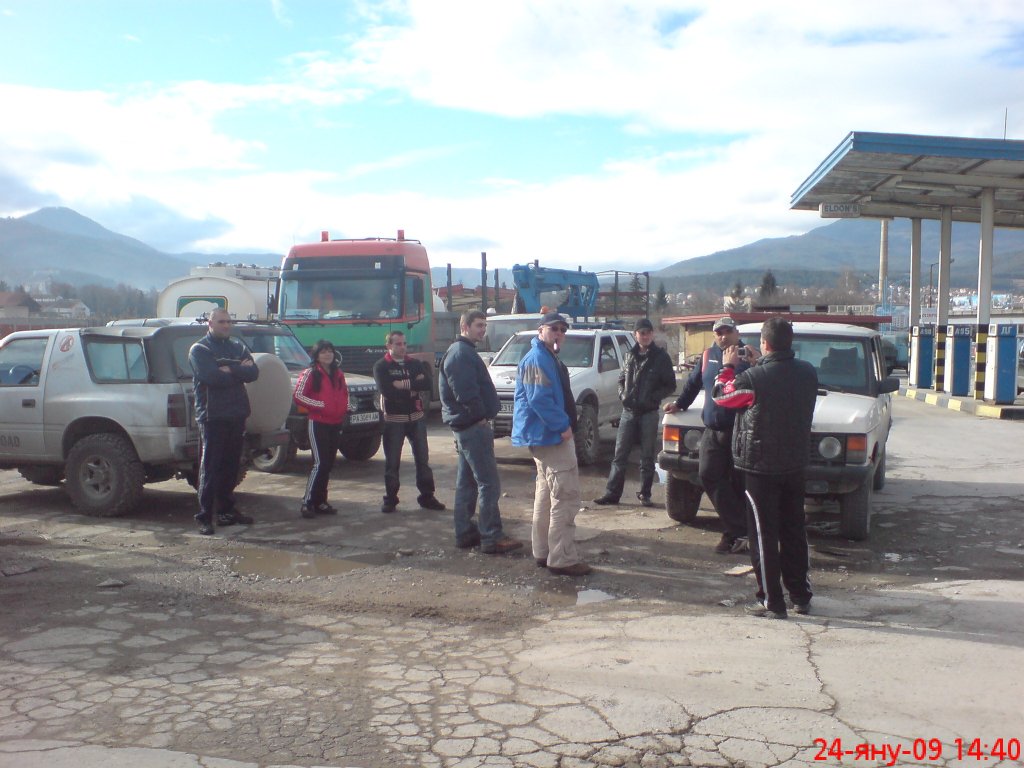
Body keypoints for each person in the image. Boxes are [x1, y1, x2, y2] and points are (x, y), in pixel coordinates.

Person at [713, 317, 818, 620]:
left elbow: (723, 396)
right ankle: (800, 595)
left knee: (763, 533)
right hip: (795, 463)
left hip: (761, 467)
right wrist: (760, 363)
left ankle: (772, 600)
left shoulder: (754, 378)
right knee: (794, 529)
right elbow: (781, 384)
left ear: (765, 343)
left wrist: (728, 368)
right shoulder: (808, 372)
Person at [665, 316, 755, 554]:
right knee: (707, 475)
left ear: (736, 333)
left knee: (738, 484)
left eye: (727, 332)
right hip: (713, 429)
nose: (723, 336)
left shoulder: (748, 356)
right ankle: (740, 528)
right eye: (719, 333)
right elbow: (693, 383)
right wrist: (679, 404)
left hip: (739, 430)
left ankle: (734, 535)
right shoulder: (708, 355)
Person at [512, 312, 592, 577]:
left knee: (546, 495)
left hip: (545, 437)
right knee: (565, 497)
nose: (559, 333)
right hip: (550, 437)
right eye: (554, 328)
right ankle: (562, 558)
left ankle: (543, 551)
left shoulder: (548, 357)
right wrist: (563, 426)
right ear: (541, 330)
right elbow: (539, 399)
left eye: (562, 330)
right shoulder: (536, 359)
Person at [439, 310, 523, 555]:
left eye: (484, 326)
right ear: (464, 326)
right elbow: (465, 393)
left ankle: (465, 533)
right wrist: (480, 417)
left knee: (467, 483)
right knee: (488, 484)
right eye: (478, 325)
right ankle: (491, 537)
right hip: (472, 427)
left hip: (467, 426)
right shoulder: (460, 353)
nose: (482, 330)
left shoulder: (464, 351)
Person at [188, 309, 259, 536]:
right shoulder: (200, 349)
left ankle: (226, 511)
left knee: (231, 466)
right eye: (221, 321)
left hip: (237, 414)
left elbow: (254, 373)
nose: (226, 325)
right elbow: (212, 377)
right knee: (211, 467)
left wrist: (230, 369)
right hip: (213, 416)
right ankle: (204, 516)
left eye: (229, 321)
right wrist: (239, 370)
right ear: (210, 323)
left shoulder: (237, 346)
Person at [594, 317, 677, 507]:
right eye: (641, 333)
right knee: (619, 455)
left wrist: (653, 398)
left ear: (652, 334)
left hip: (649, 413)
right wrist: (622, 394)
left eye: (648, 333)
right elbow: (621, 379)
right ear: (635, 335)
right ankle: (612, 494)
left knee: (646, 457)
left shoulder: (661, 357)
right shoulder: (629, 355)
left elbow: (670, 385)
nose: (645, 336)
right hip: (628, 412)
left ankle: (645, 494)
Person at [373, 330, 445, 515]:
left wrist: (403, 384)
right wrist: (413, 385)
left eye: (404, 343)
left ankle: (427, 497)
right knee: (392, 462)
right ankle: (390, 499)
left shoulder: (415, 363)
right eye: (398, 344)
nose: (403, 347)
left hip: (416, 419)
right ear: (389, 346)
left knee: (423, 460)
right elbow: (388, 392)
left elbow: (427, 384)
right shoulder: (381, 366)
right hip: (393, 421)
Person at [293, 340, 348, 519]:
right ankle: (307, 502)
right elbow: (298, 395)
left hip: (335, 423)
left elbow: (343, 394)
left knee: (328, 464)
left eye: (330, 351)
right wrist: (320, 405)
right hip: (318, 423)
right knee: (320, 464)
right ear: (316, 355)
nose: (328, 355)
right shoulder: (310, 373)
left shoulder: (338, 374)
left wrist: (344, 408)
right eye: (323, 352)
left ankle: (320, 502)